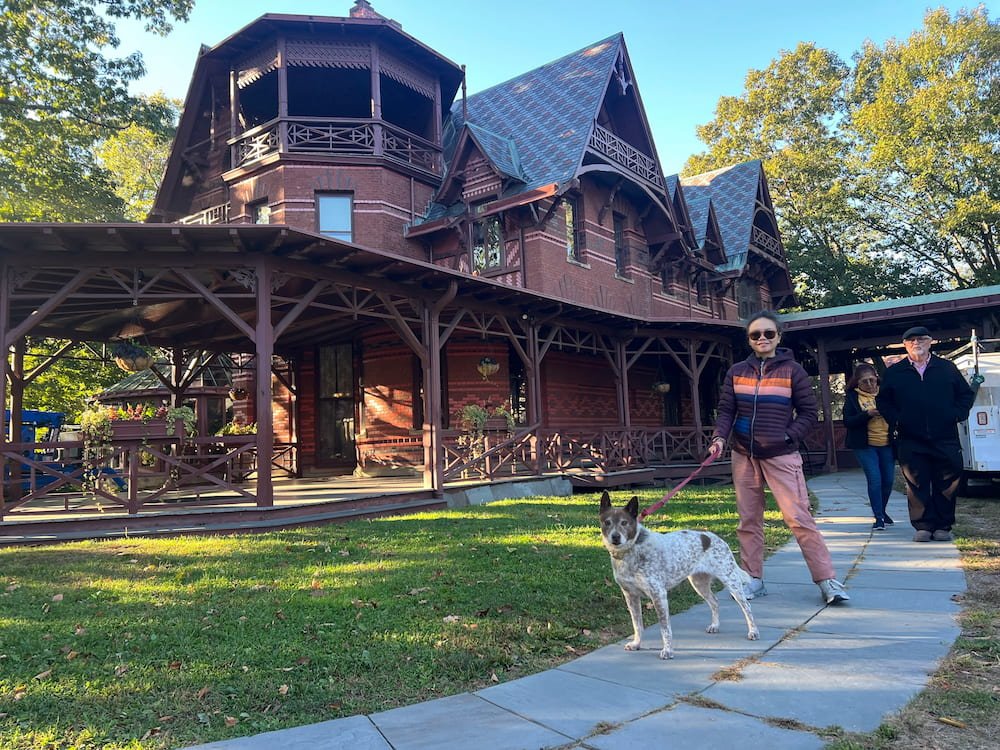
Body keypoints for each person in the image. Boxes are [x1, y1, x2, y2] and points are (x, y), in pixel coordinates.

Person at [709, 311, 849, 605]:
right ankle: (753, 579)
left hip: (782, 456)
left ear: (778, 337)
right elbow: (726, 411)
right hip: (743, 455)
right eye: (755, 335)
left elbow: (809, 413)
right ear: (748, 340)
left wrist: (787, 436)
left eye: (768, 334)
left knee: (798, 518)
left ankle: (827, 581)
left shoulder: (792, 371)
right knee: (748, 520)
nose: (762, 339)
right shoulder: (736, 371)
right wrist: (719, 437)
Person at [876, 325, 976, 542]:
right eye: (911, 340)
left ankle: (943, 526)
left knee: (948, 481)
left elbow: (965, 395)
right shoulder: (895, 373)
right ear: (905, 345)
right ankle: (923, 525)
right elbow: (883, 401)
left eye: (921, 339)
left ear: (931, 341)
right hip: (910, 437)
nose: (916, 343)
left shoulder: (946, 368)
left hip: (945, 435)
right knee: (916, 482)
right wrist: (897, 419)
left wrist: (956, 414)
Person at [842, 364, 895, 531]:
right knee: (875, 479)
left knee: (888, 481)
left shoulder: (886, 393)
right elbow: (848, 421)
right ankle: (878, 517)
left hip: (887, 443)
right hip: (865, 445)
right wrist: (867, 414)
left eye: (872, 380)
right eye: (865, 382)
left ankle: (882, 510)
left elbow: (898, 413)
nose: (870, 384)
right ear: (857, 382)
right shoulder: (852, 398)